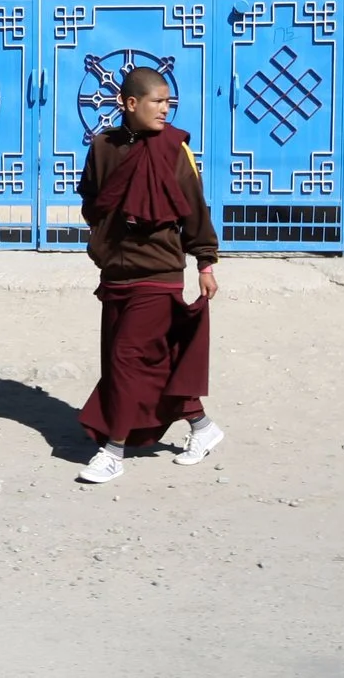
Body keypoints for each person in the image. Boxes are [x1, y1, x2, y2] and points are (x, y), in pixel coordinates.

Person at [74, 66, 221, 484]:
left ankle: (113, 450)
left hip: (160, 267)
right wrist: (105, 232)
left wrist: (204, 262)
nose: (165, 110)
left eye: (168, 102)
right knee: (148, 358)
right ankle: (201, 425)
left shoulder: (174, 149)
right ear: (129, 103)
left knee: (127, 358)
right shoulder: (102, 146)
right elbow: (91, 198)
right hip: (118, 268)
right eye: (157, 102)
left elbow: (194, 207)